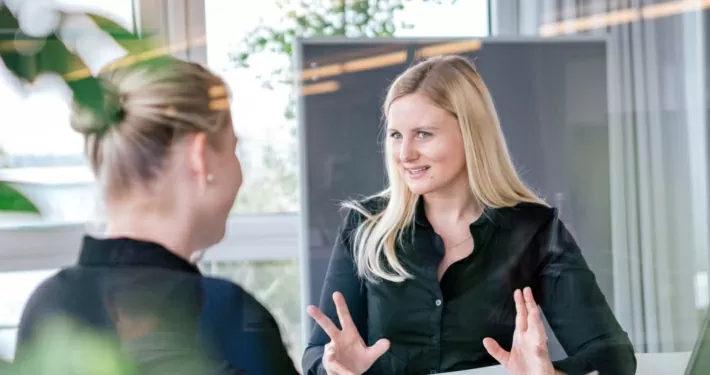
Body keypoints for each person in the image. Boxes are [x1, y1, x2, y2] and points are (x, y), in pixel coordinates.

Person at [302, 55, 637, 375]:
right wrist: (334, 367)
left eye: (424, 134)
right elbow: (318, 354)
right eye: (395, 135)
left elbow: (613, 356)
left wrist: (551, 373)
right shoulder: (365, 225)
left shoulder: (535, 231)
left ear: (471, 134)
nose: (405, 154)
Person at [14, 55, 299, 375]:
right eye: (233, 149)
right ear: (199, 157)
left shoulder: (48, 305)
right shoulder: (228, 315)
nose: (240, 173)